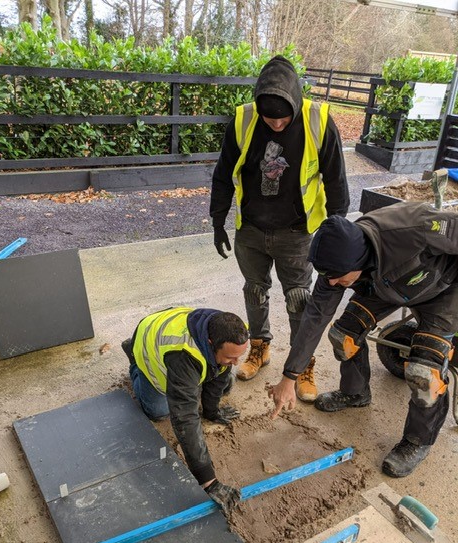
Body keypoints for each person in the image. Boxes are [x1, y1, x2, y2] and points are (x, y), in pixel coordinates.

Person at [267, 202, 458, 477]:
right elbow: (314, 320)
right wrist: (289, 376)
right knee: (342, 336)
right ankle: (355, 392)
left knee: (423, 374)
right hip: (386, 286)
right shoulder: (335, 267)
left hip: (444, 290)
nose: (331, 284)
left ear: (358, 261)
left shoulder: (415, 228)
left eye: (338, 278)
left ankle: (418, 441)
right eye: (327, 277)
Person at [210, 55, 349, 402]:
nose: (275, 124)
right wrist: (217, 218)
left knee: (299, 300)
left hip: (297, 233)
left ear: (296, 102)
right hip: (252, 229)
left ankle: (303, 365)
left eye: (282, 119)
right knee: (254, 292)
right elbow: (224, 173)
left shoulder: (318, 121)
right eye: (269, 119)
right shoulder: (243, 120)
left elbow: (336, 181)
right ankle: (260, 348)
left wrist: (338, 234)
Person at [122, 306, 249, 514]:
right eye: (231, 357)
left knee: (226, 382)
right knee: (158, 410)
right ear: (210, 343)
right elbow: (185, 417)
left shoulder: (232, 330)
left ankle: (206, 373)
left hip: (169, 324)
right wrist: (208, 480)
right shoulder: (182, 355)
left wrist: (212, 412)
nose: (237, 362)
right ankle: (134, 359)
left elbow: (221, 373)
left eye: (239, 355)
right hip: (148, 340)